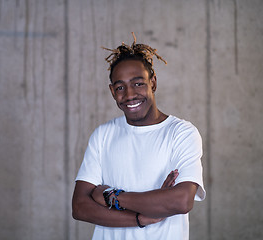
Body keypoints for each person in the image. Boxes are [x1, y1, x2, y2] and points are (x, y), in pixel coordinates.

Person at [72, 33, 206, 240]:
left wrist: (110, 195)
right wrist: (142, 218)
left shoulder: (181, 133)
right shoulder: (103, 135)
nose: (129, 95)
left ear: (153, 82)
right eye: (120, 87)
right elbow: (80, 207)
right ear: (111, 91)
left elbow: (180, 202)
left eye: (138, 83)